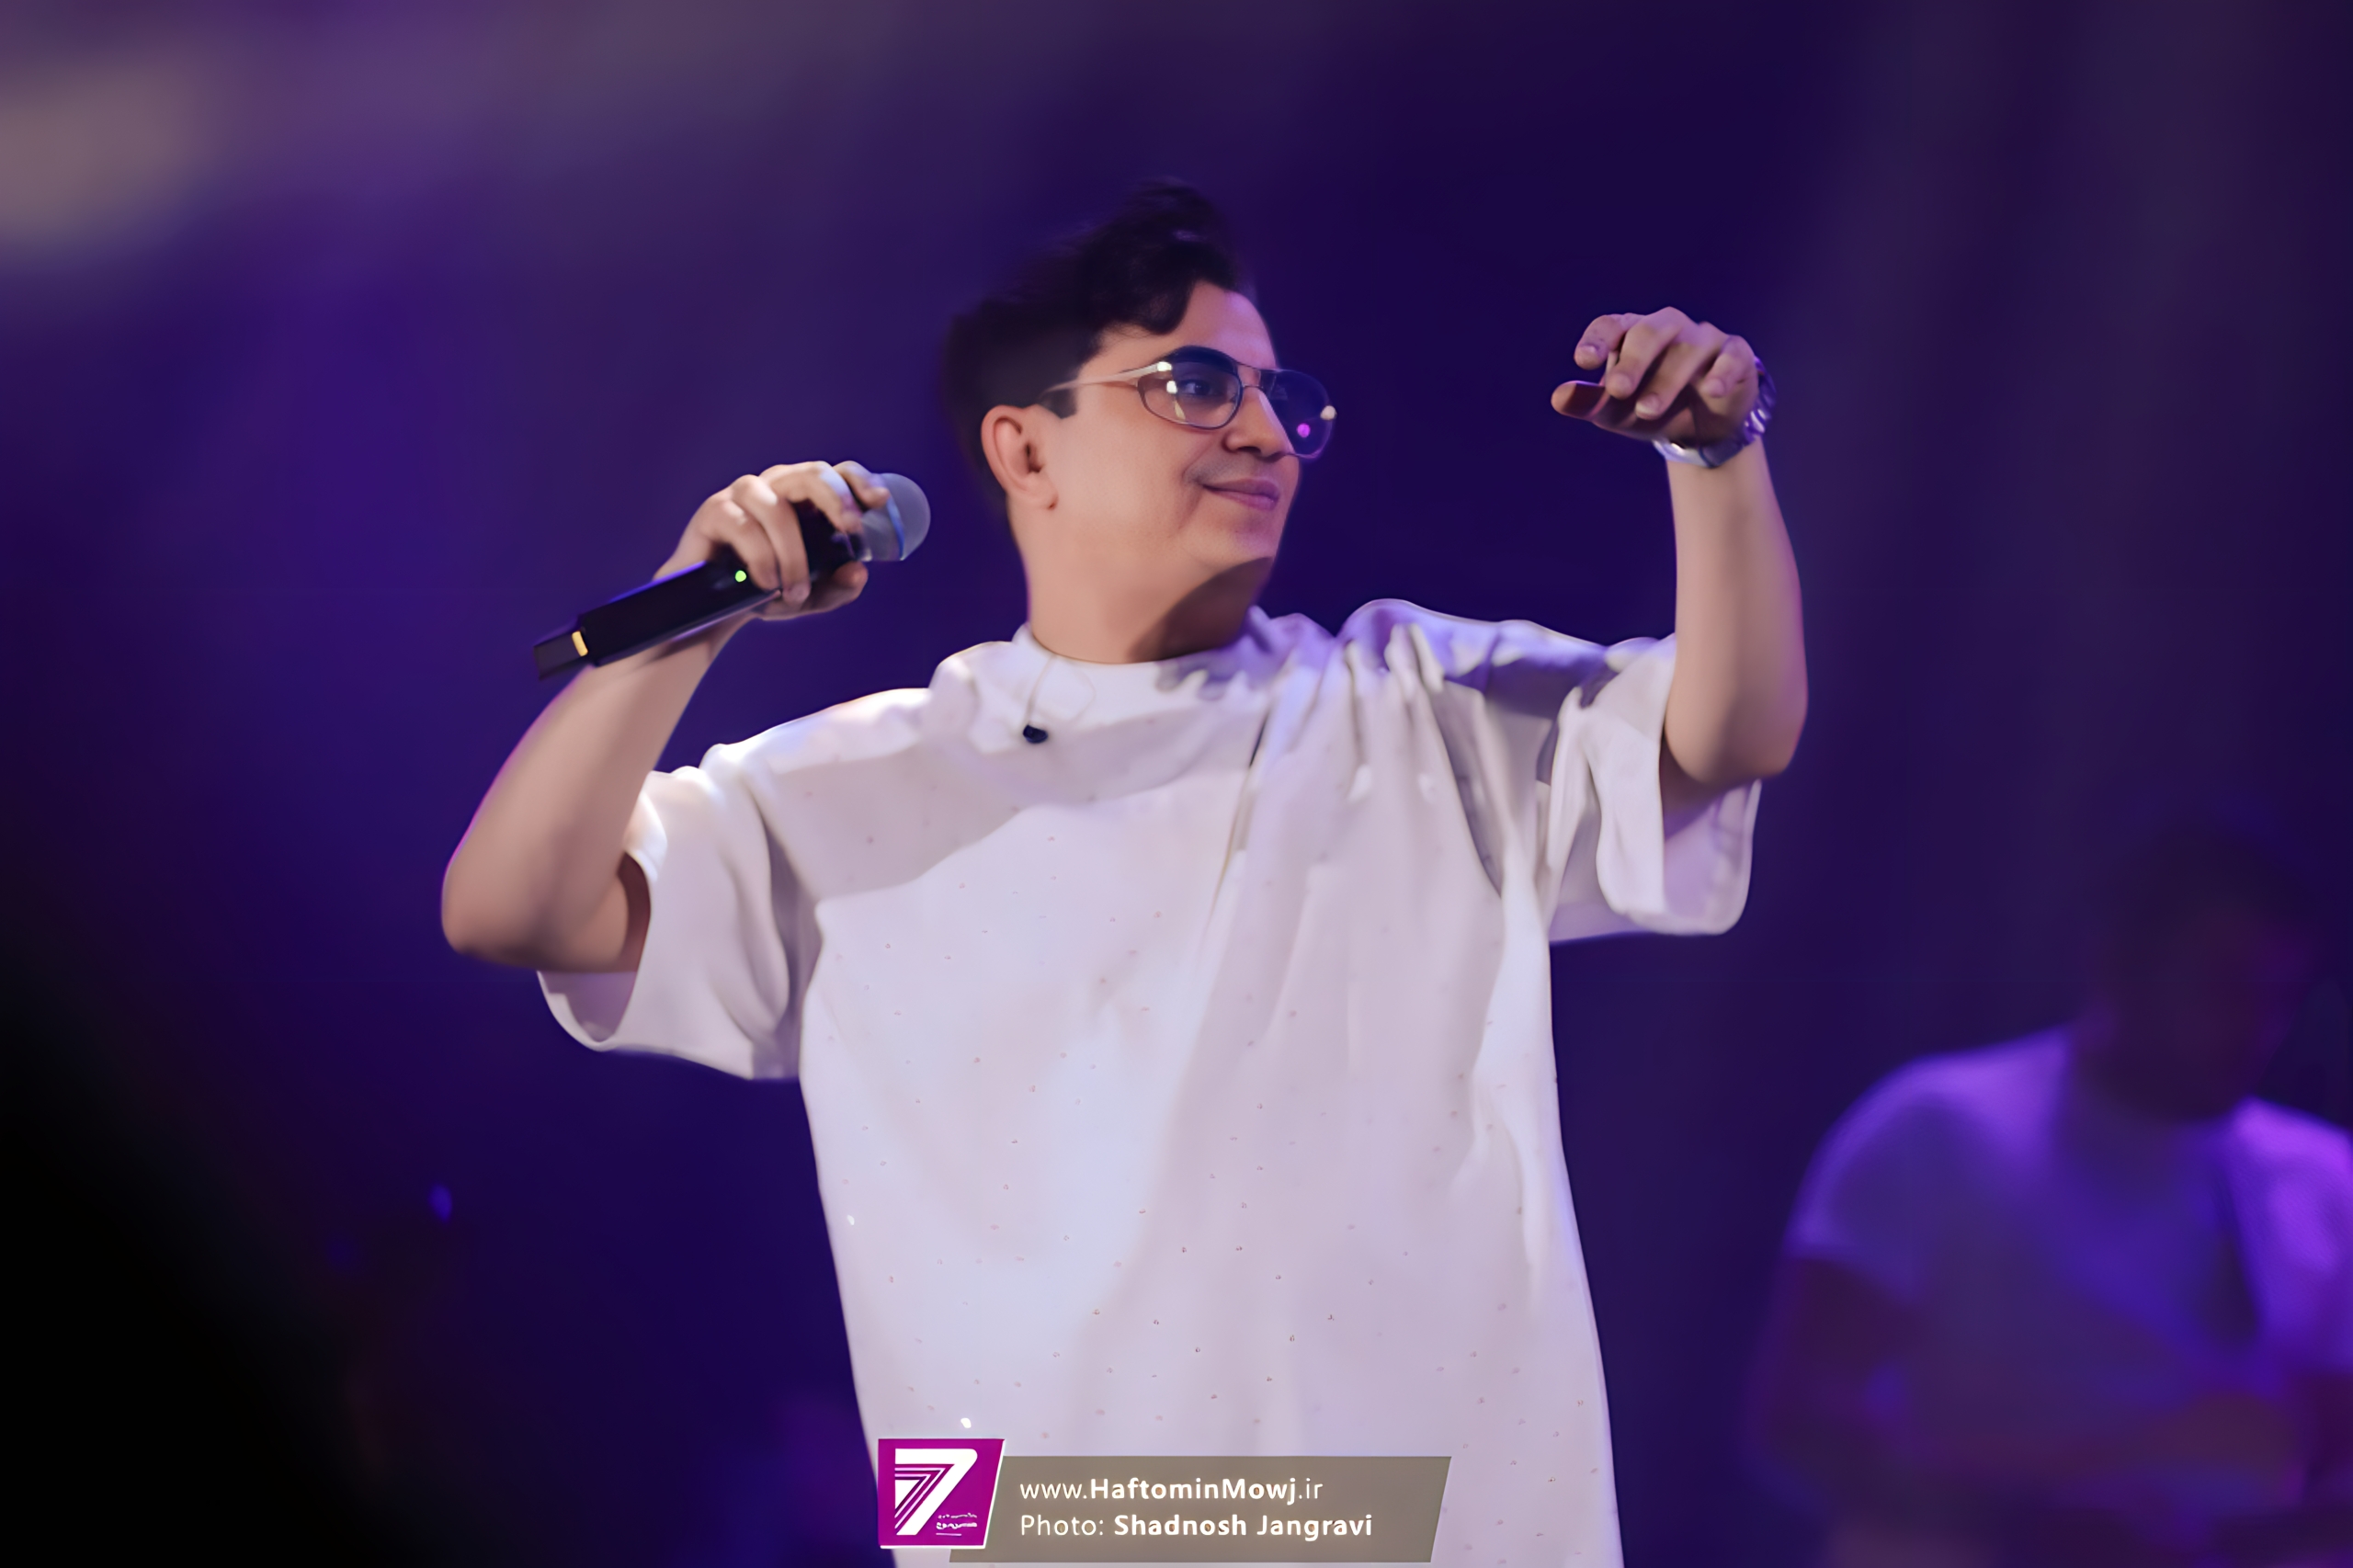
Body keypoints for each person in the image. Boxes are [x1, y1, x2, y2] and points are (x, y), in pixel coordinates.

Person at [443, 181, 1807, 1564]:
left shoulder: (1415, 698)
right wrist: (691, 615)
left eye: (1283, 401)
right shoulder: (859, 783)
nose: (1263, 433)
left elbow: (1730, 732)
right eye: (1196, 384)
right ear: (1025, 448)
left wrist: (1716, 456)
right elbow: (510, 907)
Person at [1749, 816, 2353, 1567]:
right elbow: (1803, 1418)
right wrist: (2029, 1521)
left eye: (2277, 996)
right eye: (2220, 985)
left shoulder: (2324, 1182)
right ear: (2120, 965)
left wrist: (2208, 1542)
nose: (2252, 1026)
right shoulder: (1941, 1129)